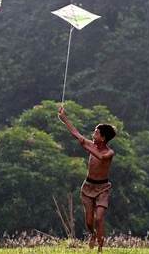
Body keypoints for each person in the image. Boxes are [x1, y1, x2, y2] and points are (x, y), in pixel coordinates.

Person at [58, 106, 116, 252]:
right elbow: (76, 133)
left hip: (103, 188)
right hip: (88, 187)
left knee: (99, 218)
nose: (93, 135)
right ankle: (93, 234)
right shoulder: (91, 144)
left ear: (103, 138)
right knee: (89, 221)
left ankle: (100, 249)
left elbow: (101, 157)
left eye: (96, 133)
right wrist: (65, 119)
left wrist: (85, 145)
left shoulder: (109, 152)